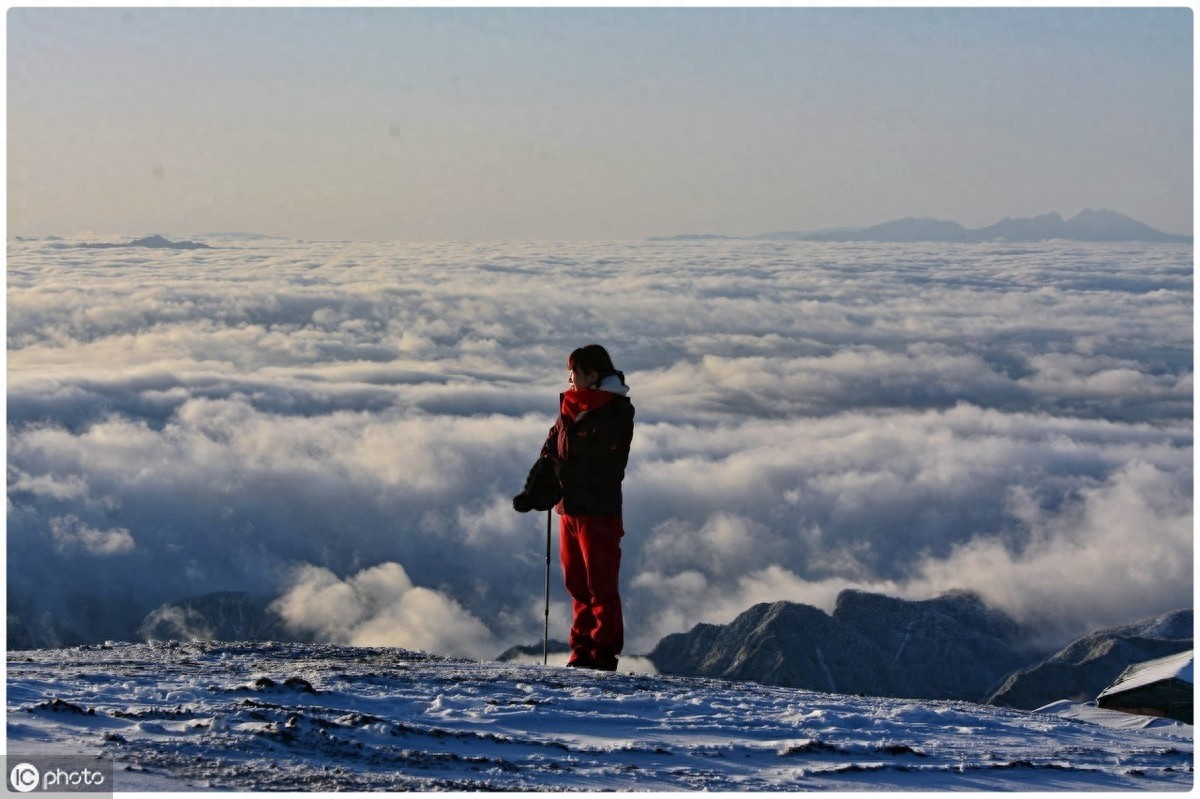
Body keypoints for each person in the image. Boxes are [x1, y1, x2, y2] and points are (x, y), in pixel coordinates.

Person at [513, 344, 635, 671]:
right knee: (577, 584)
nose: (569, 378)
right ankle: (581, 653)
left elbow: (609, 467)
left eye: (574, 372)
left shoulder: (617, 412)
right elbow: (552, 447)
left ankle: (603, 655)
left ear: (592, 375)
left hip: (598, 510)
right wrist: (536, 487)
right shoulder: (569, 406)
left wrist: (560, 472)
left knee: (600, 585)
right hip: (569, 509)